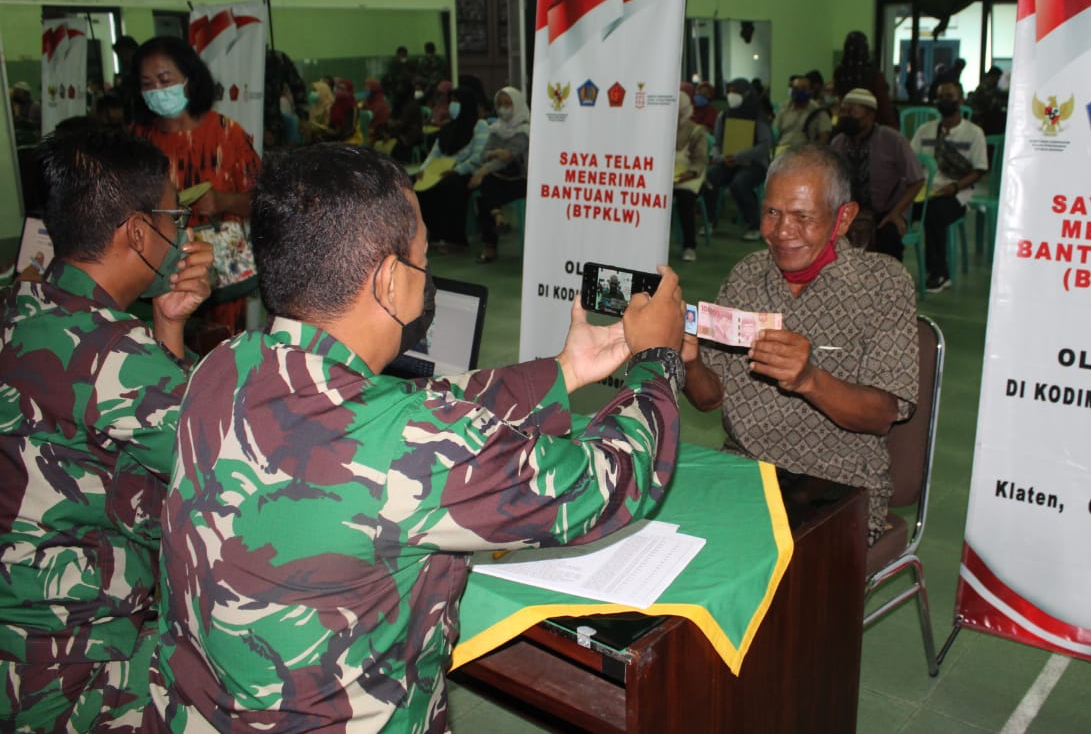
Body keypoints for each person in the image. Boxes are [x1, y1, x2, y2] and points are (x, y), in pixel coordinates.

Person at [148, 144, 687, 732]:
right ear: (387, 280)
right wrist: (657, 358)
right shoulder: (413, 445)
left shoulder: (223, 367)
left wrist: (564, 372)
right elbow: (621, 477)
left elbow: (415, 407)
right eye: (423, 260)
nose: (428, 278)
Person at [0, 127, 214, 733]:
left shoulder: (18, 303)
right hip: (64, 674)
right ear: (139, 234)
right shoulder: (111, 355)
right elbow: (229, 454)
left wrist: (166, 326)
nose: (182, 233)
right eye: (175, 216)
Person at [682, 145, 918, 544]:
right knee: (662, 536)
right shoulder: (747, 275)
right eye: (772, 212)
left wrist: (810, 379)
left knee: (753, 570)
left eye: (803, 217)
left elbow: (882, 414)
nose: (782, 231)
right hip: (746, 470)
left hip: (838, 487)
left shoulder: (883, 284)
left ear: (843, 218)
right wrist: (688, 360)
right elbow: (708, 399)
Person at [129, 36, 260, 334]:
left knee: (220, 354)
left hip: (221, 274)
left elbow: (263, 201)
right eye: (147, 83)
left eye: (165, 80)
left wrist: (224, 202)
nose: (157, 91)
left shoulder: (227, 134)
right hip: (157, 275)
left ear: (189, 79)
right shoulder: (136, 139)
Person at [911, 80, 988, 292]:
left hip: (956, 193)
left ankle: (939, 273)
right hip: (924, 192)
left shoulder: (974, 133)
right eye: (941, 97)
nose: (945, 101)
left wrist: (954, 187)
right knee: (895, 209)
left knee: (934, 213)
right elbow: (911, 161)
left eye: (950, 96)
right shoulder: (924, 130)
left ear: (961, 100)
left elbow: (979, 170)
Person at [830, 88, 925, 260]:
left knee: (889, 238)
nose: (845, 117)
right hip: (850, 212)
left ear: (870, 116)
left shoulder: (892, 140)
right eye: (843, 111)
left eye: (852, 112)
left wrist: (896, 213)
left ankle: (890, 285)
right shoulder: (838, 142)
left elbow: (917, 180)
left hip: (888, 211)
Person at [416, 88, 491, 252]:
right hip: (441, 170)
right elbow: (434, 153)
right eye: (452, 101)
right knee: (417, 183)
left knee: (449, 185)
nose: (452, 105)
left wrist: (457, 170)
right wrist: (423, 169)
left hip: (466, 172)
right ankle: (432, 235)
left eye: (456, 101)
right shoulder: (448, 128)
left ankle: (456, 240)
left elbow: (478, 157)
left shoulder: (480, 125)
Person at [706, 78, 773, 241]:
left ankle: (755, 225)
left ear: (746, 93)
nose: (731, 95)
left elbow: (764, 146)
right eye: (729, 91)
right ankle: (710, 221)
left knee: (740, 183)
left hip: (754, 163)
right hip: (728, 162)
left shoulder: (758, 116)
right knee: (710, 177)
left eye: (735, 92)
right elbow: (717, 142)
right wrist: (719, 157)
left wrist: (738, 157)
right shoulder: (724, 115)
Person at [471, 86, 530, 264]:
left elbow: (509, 156)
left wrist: (484, 168)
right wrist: (497, 154)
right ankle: (498, 218)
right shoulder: (496, 128)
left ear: (517, 104)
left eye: (507, 103)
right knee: (485, 192)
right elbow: (484, 154)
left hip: (522, 181)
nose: (503, 108)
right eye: (500, 104)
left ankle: (491, 246)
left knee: (485, 188)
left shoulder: (525, 130)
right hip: (498, 180)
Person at [673, 91, 710, 262]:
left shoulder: (697, 131)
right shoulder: (661, 128)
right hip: (669, 178)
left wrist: (688, 174)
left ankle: (689, 246)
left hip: (690, 177)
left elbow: (701, 160)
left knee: (685, 199)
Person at [832, 30, 896, 127]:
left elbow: (883, 105)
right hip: (852, 124)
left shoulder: (841, 73)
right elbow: (884, 106)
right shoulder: (873, 73)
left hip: (867, 126)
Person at [774, 73, 831, 150]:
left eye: (803, 88)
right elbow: (775, 132)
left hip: (805, 153)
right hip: (783, 150)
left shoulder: (818, 111)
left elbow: (824, 138)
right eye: (795, 88)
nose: (798, 91)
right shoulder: (784, 108)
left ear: (810, 91)